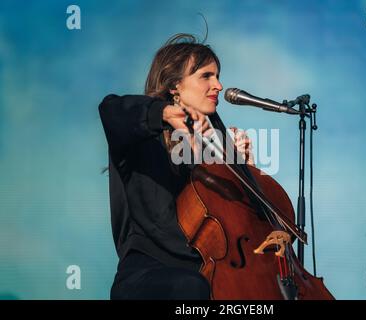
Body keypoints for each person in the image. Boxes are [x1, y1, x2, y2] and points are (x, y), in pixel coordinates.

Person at [99, 33, 253, 300]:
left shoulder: (214, 147)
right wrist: (162, 112)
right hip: (148, 276)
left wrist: (246, 172)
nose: (218, 85)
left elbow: (248, 227)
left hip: (207, 273)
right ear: (175, 86)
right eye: (206, 76)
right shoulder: (142, 140)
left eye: (217, 76)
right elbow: (111, 110)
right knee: (190, 287)